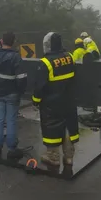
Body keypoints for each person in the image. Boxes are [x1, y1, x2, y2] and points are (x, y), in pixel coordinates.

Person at [32, 32, 78, 166]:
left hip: (51, 104)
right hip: (68, 102)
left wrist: (36, 100)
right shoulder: (70, 57)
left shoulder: (45, 63)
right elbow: (75, 79)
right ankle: (69, 156)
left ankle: (53, 157)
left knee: (52, 128)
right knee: (68, 127)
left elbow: (39, 86)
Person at [0, 31, 27, 159]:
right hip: (12, 93)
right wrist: (21, 92)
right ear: (14, 42)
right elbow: (21, 78)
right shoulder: (16, 57)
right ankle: (11, 149)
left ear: (1, 41)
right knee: (11, 120)